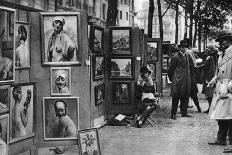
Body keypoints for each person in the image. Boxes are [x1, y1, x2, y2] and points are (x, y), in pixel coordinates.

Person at [207, 29, 232, 153]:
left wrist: (229, 87)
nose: (220, 43)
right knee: (221, 116)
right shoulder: (221, 54)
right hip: (220, 88)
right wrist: (213, 80)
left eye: (222, 41)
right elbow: (218, 72)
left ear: (227, 41)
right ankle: (221, 139)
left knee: (230, 117)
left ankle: (231, 143)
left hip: (229, 89)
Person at [167, 43, 192, 120]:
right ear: (179, 48)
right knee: (176, 97)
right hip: (178, 80)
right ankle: (173, 114)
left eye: (185, 47)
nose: (184, 49)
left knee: (185, 96)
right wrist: (173, 79)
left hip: (185, 80)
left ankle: (183, 113)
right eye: (182, 47)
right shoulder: (176, 57)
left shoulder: (186, 56)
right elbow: (170, 70)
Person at [182, 39, 202, 112]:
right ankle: (198, 106)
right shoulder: (189, 52)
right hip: (191, 73)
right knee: (193, 92)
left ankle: (184, 108)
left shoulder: (183, 52)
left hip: (185, 74)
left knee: (186, 91)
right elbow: (194, 64)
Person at [201, 45, 218, 113]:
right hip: (208, 78)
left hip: (209, 79)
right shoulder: (210, 57)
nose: (206, 51)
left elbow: (212, 70)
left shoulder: (211, 58)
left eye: (208, 50)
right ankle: (211, 108)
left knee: (210, 95)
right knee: (209, 95)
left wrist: (209, 80)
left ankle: (211, 109)